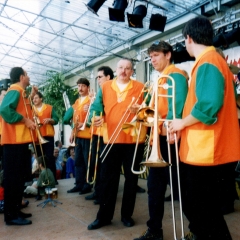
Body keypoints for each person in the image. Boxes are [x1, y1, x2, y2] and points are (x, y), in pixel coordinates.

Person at [169, 16, 240, 240]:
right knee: (202, 211)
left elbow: (208, 106)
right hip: (204, 149)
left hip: (206, 151)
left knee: (203, 211)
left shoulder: (209, 61)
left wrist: (181, 123)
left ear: (188, 38)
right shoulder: (210, 61)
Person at [134, 41, 188, 240]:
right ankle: (154, 230)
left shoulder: (176, 75)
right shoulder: (158, 79)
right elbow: (153, 109)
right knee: (154, 188)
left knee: (180, 187)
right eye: (150, 56)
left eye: (156, 55)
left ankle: (199, 229)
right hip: (158, 140)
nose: (152, 60)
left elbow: (178, 106)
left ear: (168, 55)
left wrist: (170, 127)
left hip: (171, 139)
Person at [87, 58, 147, 230]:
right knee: (107, 180)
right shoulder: (105, 87)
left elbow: (149, 109)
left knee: (131, 180)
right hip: (111, 139)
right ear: (116, 69)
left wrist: (141, 111)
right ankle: (104, 217)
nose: (124, 71)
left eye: (128, 68)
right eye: (121, 67)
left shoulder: (141, 87)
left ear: (132, 71)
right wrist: (96, 117)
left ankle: (126, 216)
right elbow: (96, 107)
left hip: (133, 140)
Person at [0, 67, 38, 225]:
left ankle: (15, 210)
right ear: (22, 77)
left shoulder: (20, 92)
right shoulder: (14, 90)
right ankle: (11, 215)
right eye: (27, 75)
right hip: (13, 143)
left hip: (19, 142)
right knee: (12, 180)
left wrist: (32, 95)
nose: (29, 77)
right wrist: (25, 120)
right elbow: (4, 109)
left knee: (17, 179)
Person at [85, 66, 114, 204]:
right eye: (97, 77)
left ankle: (102, 193)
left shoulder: (111, 90)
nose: (98, 80)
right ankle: (97, 191)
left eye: (100, 77)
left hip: (106, 134)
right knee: (95, 164)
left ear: (108, 77)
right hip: (97, 132)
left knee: (103, 166)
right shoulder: (101, 92)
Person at [63, 78, 92, 195]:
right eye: (79, 86)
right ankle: (79, 184)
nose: (80, 88)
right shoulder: (76, 103)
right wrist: (72, 133)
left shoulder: (91, 100)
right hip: (78, 136)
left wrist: (85, 124)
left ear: (88, 87)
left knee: (86, 161)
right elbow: (73, 120)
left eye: (83, 86)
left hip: (88, 135)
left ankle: (87, 184)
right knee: (78, 161)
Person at [33, 91, 59, 182]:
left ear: (41, 98)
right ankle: (43, 179)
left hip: (48, 136)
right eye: (33, 98)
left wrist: (50, 120)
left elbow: (56, 119)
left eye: (36, 97)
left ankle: (53, 179)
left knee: (49, 157)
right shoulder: (31, 109)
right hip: (36, 137)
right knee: (40, 159)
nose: (34, 99)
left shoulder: (49, 108)